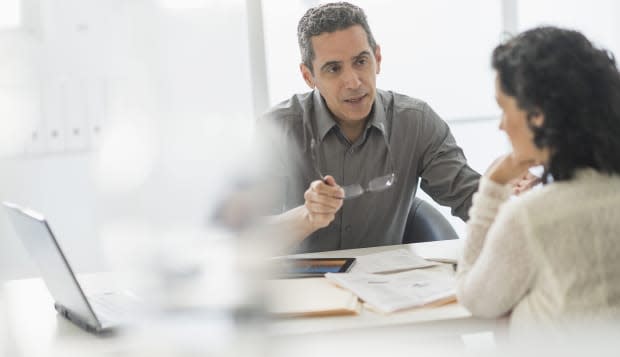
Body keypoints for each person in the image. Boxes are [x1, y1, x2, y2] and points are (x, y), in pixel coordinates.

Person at [258, 2, 480, 253]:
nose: (353, 81)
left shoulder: (416, 122)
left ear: (377, 59)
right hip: (299, 288)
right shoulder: (276, 130)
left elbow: (474, 201)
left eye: (361, 61)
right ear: (309, 76)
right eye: (333, 68)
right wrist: (307, 216)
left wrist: (516, 191)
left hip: (383, 286)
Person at [456, 26, 620, 338]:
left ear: (537, 115)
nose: (501, 125)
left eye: (504, 108)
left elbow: (475, 299)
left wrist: (492, 185)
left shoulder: (532, 217)